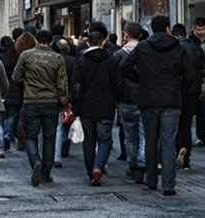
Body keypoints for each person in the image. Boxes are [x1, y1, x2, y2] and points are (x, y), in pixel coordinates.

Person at [120, 15, 192, 196]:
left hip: (148, 99)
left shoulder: (143, 47)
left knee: (150, 141)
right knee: (168, 143)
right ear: (168, 28)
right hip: (171, 101)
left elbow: (124, 66)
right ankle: (168, 185)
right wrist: (178, 88)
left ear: (151, 29)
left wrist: (140, 80)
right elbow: (189, 75)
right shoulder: (178, 47)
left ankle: (151, 179)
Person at [13, 30, 68, 187]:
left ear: (36, 40)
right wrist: (64, 105)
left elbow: (16, 77)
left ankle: (35, 161)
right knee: (49, 138)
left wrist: (28, 82)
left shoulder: (26, 55)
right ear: (51, 42)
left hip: (31, 101)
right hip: (51, 102)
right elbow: (62, 84)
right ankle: (46, 173)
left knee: (31, 136)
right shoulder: (57, 58)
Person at [71, 32, 124, 186]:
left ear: (88, 43)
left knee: (89, 141)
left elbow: (76, 87)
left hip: (87, 107)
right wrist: (116, 99)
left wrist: (76, 106)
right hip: (105, 106)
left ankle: (91, 172)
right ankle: (98, 167)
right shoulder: (110, 60)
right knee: (105, 140)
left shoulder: (82, 61)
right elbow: (119, 83)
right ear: (103, 42)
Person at [113, 22, 146, 183]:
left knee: (129, 137)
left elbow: (115, 79)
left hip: (125, 100)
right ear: (141, 35)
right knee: (143, 135)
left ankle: (132, 164)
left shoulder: (118, 55)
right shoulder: (147, 51)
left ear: (126, 35)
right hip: (145, 99)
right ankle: (141, 163)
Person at [172, 23, 205, 170]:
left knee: (174, 125)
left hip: (175, 92)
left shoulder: (174, 49)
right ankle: (186, 159)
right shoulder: (196, 48)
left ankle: (178, 150)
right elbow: (204, 69)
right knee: (186, 126)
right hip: (193, 93)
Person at [53, 39, 76, 168]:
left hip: (55, 97)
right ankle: (65, 141)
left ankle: (57, 156)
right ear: (68, 48)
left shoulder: (54, 60)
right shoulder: (73, 61)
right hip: (70, 96)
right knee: (67, 122)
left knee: (58, 126)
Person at [188, 16, 205, 147]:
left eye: (203, 29)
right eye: (198, 29)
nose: (201, 32)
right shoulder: (191, 40)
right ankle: (201, 136)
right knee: (200, 110)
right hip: (198, 79)